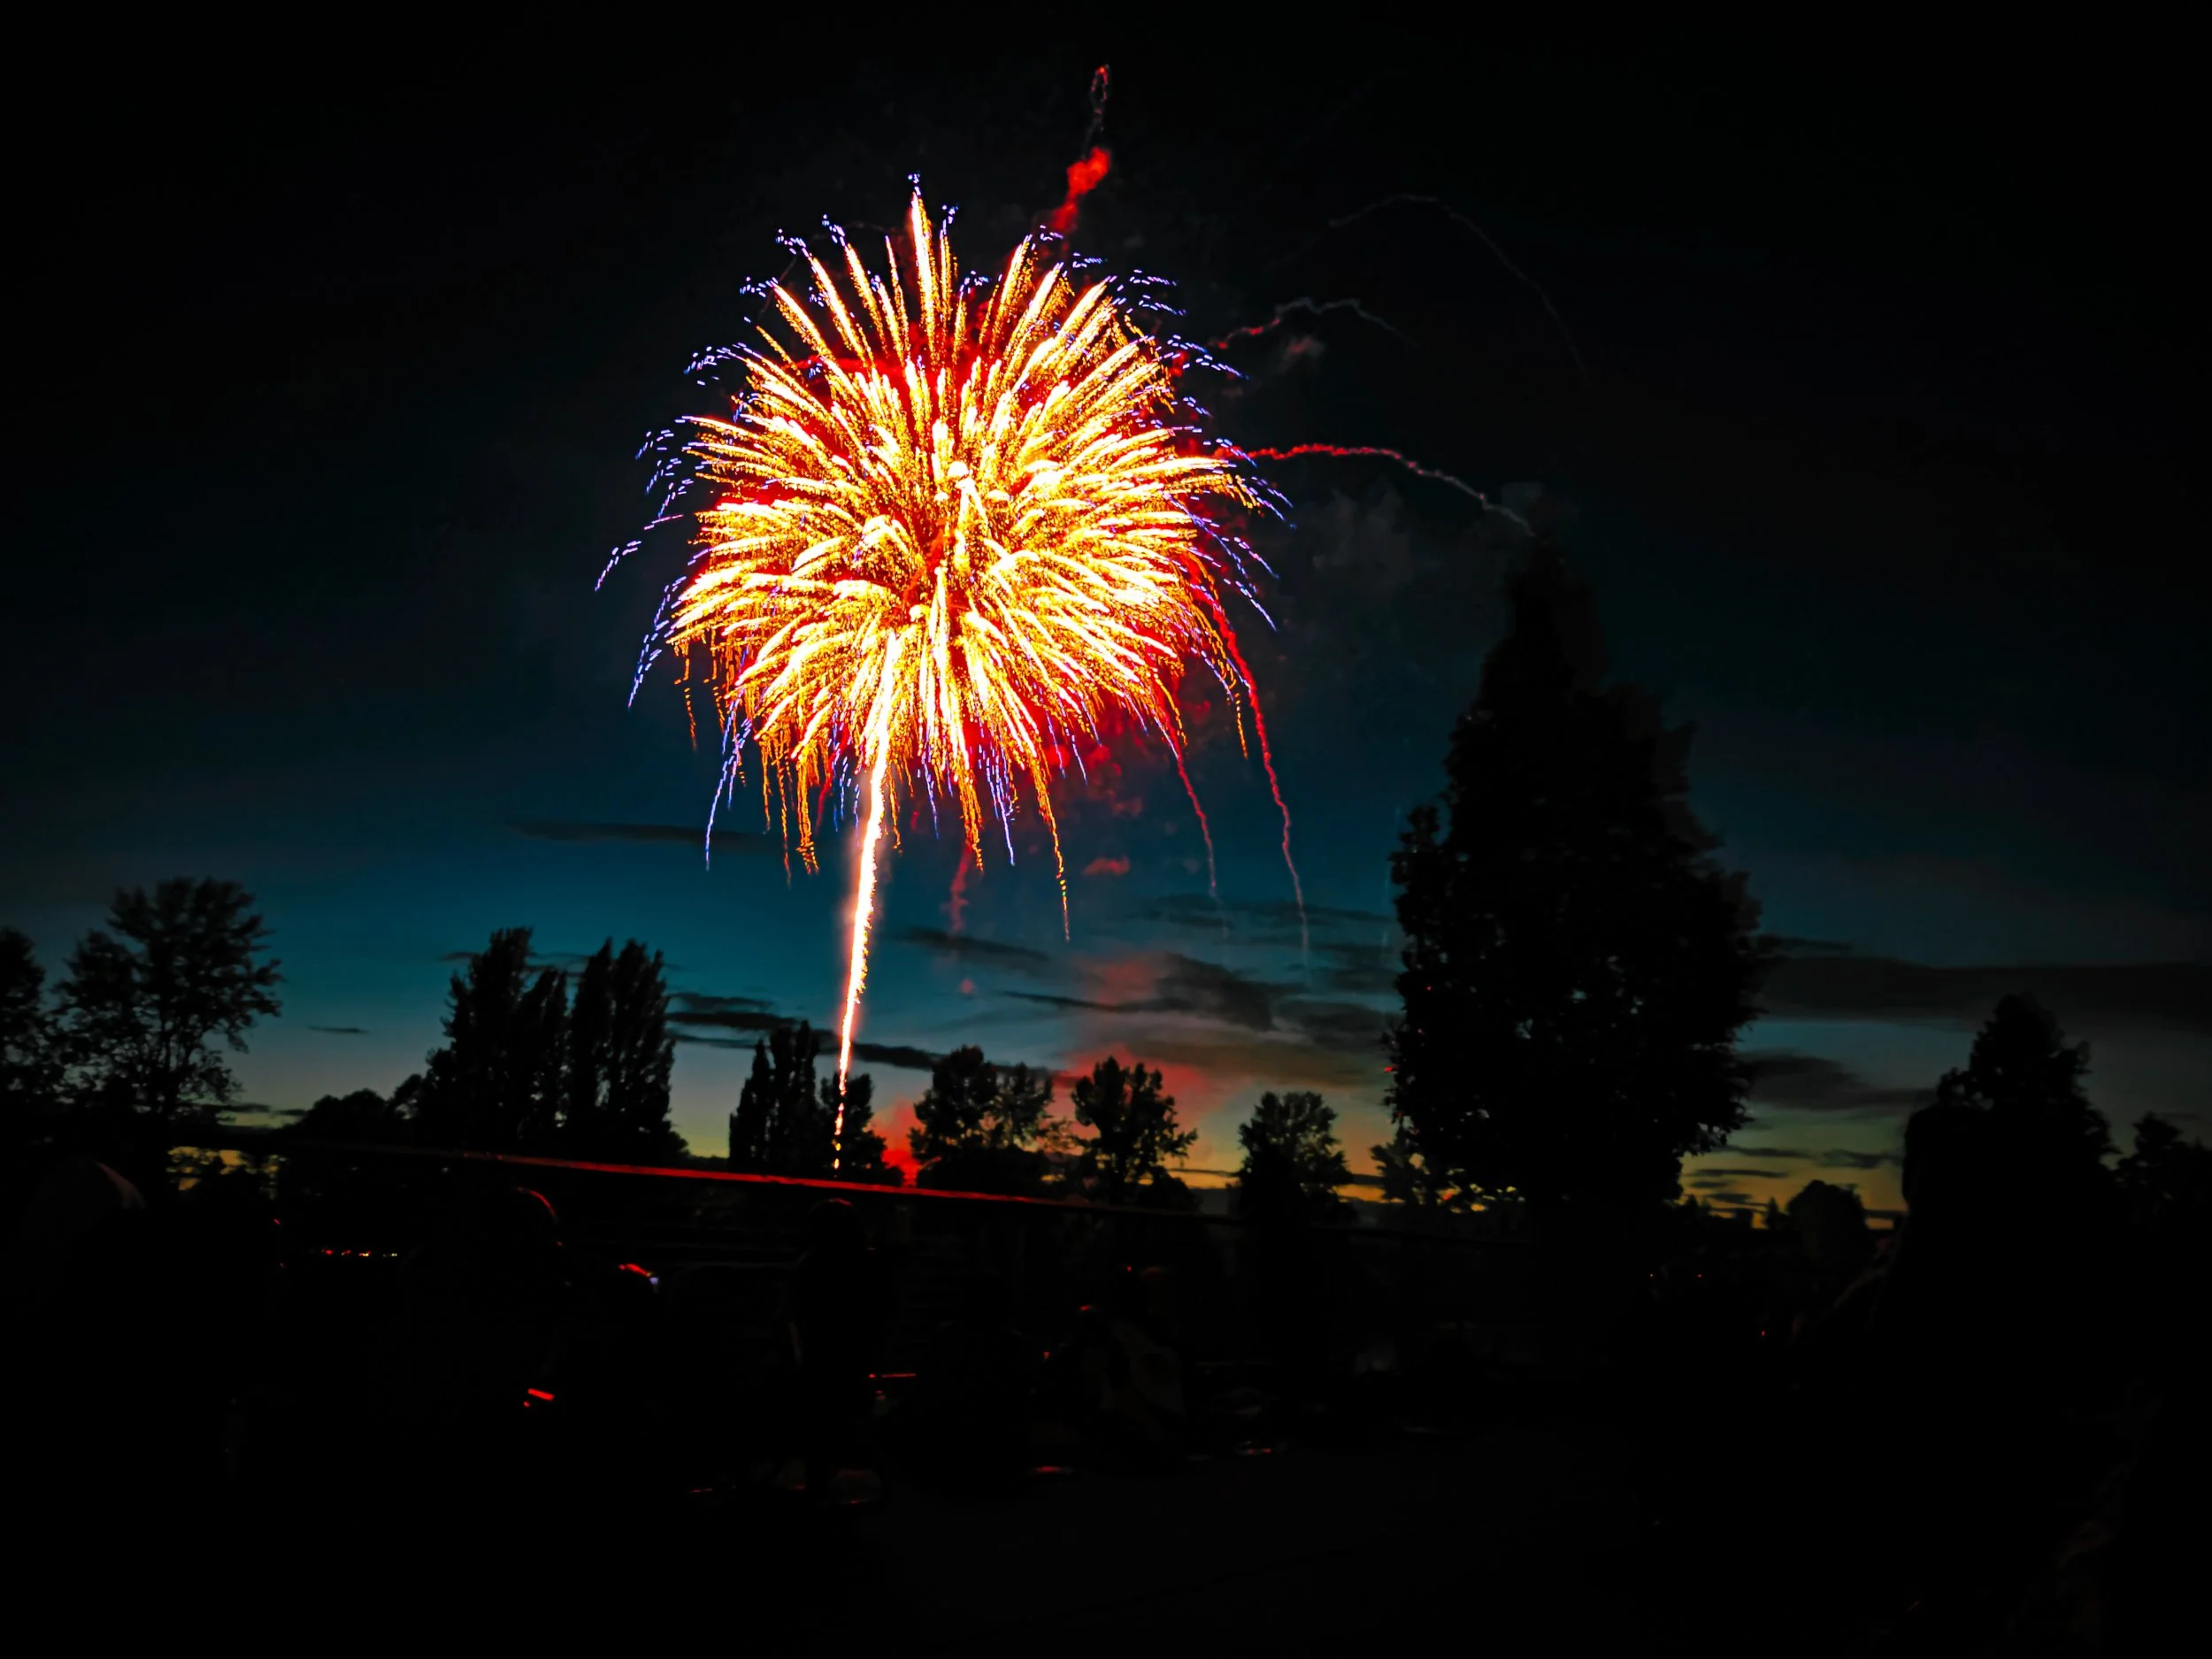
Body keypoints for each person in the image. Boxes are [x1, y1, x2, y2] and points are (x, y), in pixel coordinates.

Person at [788, 1199, 887, 1502]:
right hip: (852, 1371)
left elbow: (799, 1319)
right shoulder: (868, 1268)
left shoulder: (809, 1267)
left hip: (817, 1370)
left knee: (820, 1424)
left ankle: (819, 1485)